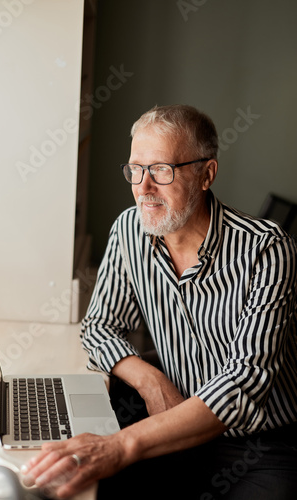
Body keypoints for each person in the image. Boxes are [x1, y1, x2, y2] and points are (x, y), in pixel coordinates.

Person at [22, 105, 297, 499]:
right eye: (135, 169)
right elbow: (99, 326)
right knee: (56, 483)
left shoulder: (268, 249)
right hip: (166, 423)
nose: (143, 187)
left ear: (206, 174)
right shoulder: (129, 230)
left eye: (161, 170)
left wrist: (120, 445)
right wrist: (151, 381)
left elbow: (243, 385)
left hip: (261, 445)